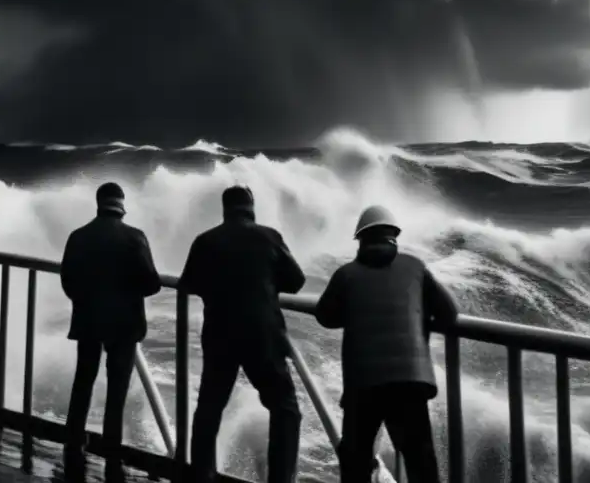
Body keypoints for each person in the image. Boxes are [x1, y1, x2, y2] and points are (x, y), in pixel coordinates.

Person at [314, 206, 459, 483]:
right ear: (394, 236)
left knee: (354, 462)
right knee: (421, 464)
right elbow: (449, 314)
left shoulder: (346, 274)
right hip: (410, 381)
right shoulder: (415, 267)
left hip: (364, 384)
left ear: (361, 240)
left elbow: (324, 316)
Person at [179, 186, 306, 483]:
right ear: (251, 207)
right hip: (262, 335)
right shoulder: (269, 236)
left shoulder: (206, 241)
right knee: (285, 409)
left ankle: (201, 475)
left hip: (220, 334)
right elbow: (297, 280)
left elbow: (187, 284)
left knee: (209, 408)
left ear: (224, 209)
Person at [60, 183, 162, 483]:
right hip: (125, 324)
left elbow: (67, 280)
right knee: (116, 390)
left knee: (83, 382)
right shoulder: (134, 237)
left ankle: (74, 442)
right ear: (122, 205)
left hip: (89, 319)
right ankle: (111, 451)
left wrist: (86, 300)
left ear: (98, 204)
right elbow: (152, 283)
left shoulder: (78, 236)